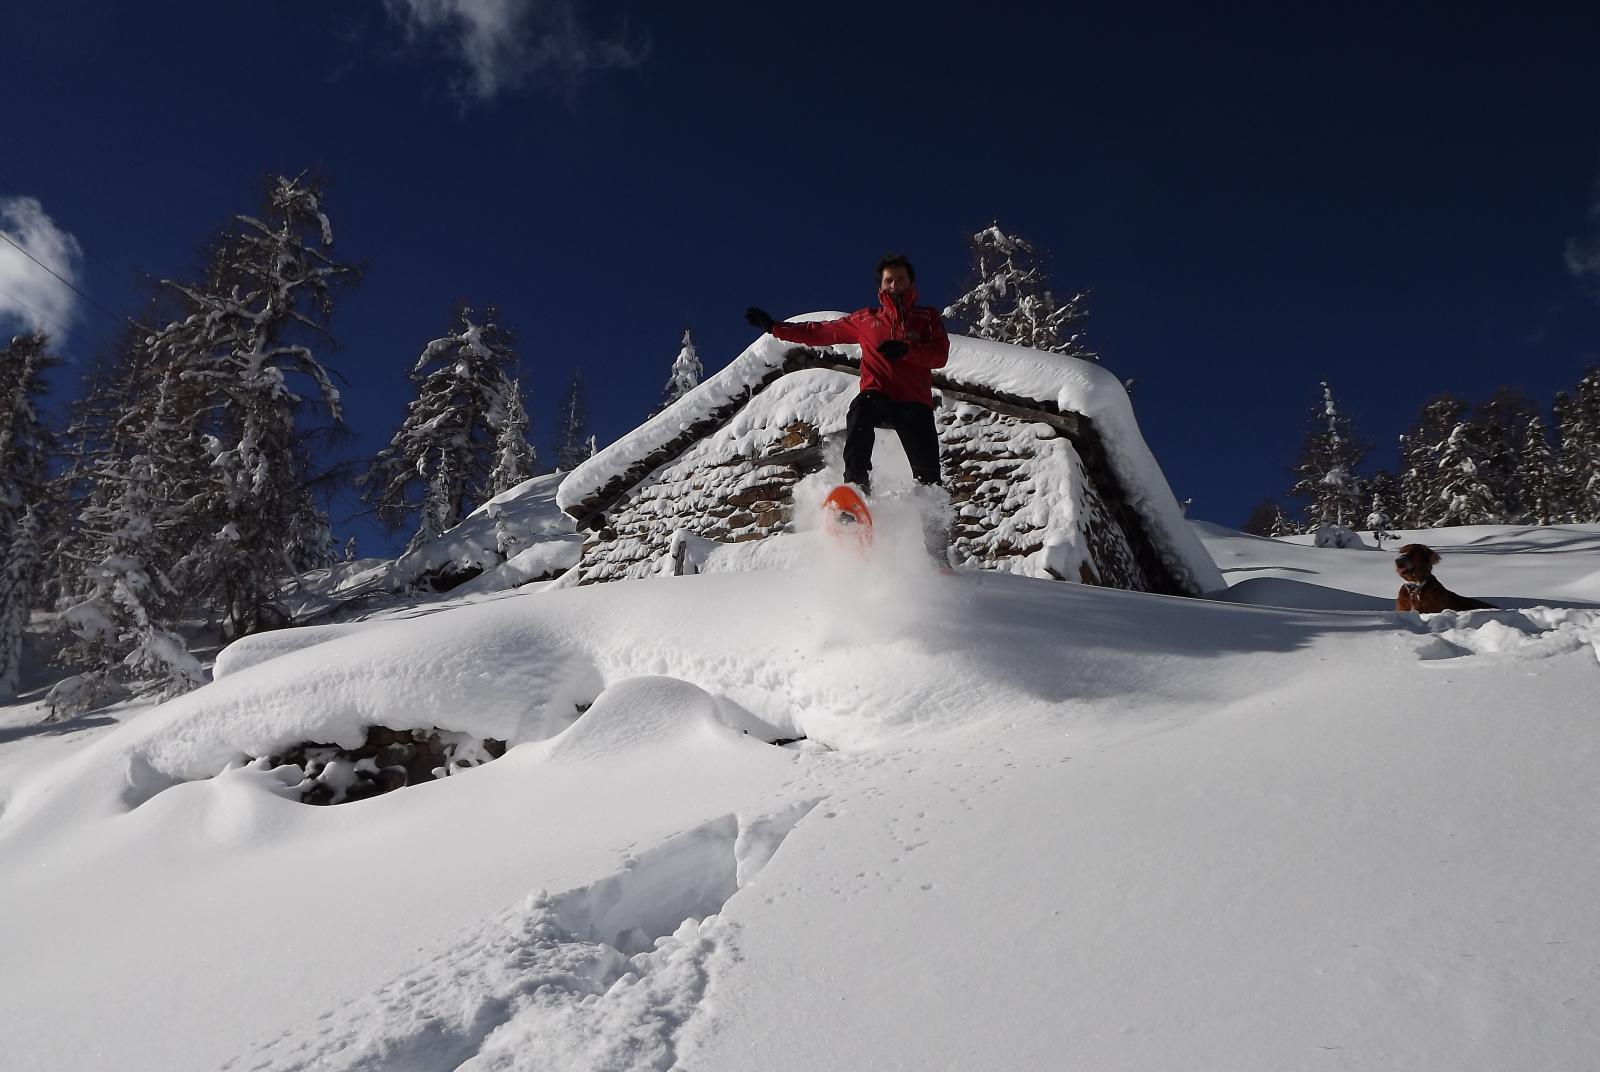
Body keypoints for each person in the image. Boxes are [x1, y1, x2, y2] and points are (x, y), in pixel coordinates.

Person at [744, 253, 950, 498]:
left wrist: (907, 350)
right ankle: (856, 486)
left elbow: (939, 356)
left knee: (929, 480)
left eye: (900, 279)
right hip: (879, 394)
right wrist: (775, 327)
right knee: (861, 409)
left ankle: (936, 529)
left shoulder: (926, 317)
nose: (894, 285)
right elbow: (819, 332)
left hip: (915, 403)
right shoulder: (866, 319)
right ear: (881, 286)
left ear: (910, 283)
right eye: (889, 280)